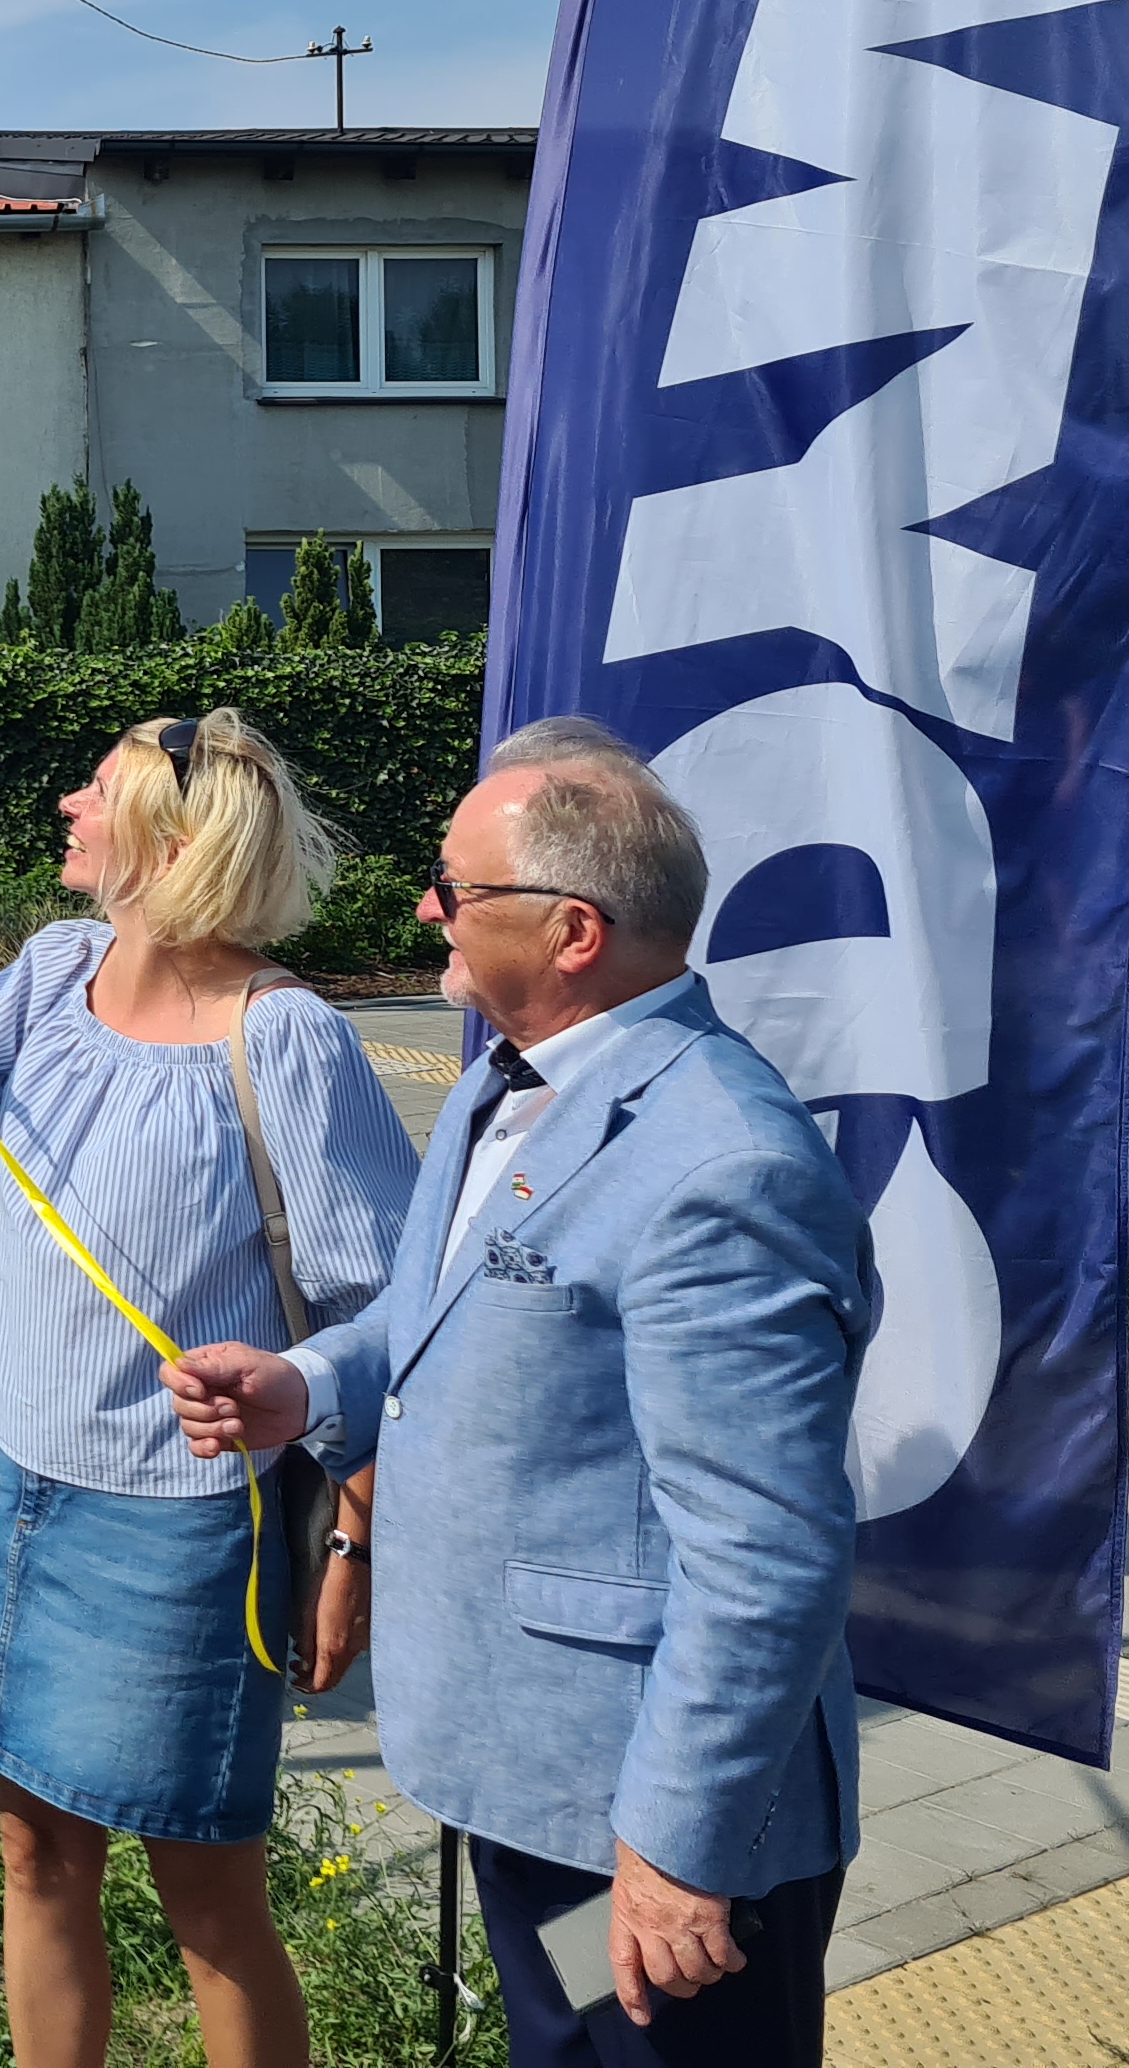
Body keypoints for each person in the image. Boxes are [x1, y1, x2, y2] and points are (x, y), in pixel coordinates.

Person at [167, 723, 872, 2068]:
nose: (426, 907)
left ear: (574, 933)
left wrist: (676, 1846)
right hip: (533, 1766)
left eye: (457, 888)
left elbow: (767, 1558)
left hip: (650, 1821)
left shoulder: (723, 1164)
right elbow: (433, 1327)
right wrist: (304, 1382)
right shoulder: (506, 1079)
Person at [0, 709, 418, 2068]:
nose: (68, 804)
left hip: (182, 1529)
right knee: (34, 1852)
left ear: (173, 844)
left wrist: (351, 1540)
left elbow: (392, 1321)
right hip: (3, 1476)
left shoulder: (287, 1036)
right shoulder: (51, 972)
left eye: (99, 791)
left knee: (207, 1900)